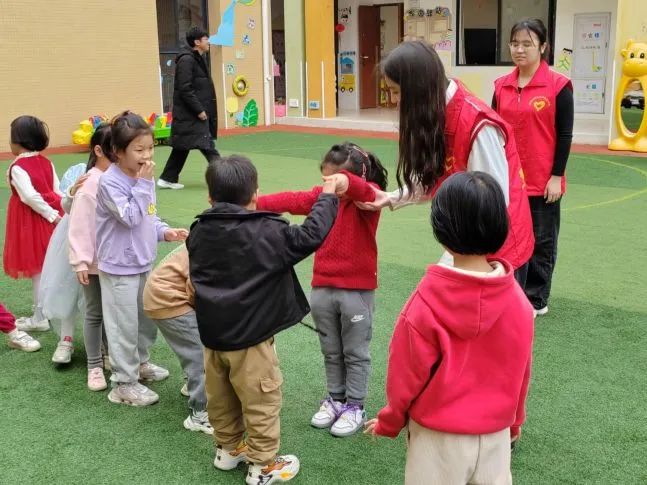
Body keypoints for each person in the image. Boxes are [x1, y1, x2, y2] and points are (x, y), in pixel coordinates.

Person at [365, 172, 534, 485]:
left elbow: (405, 373)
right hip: (495, 433)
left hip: (437, 437)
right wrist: (515, 421)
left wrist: (391, 421)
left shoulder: (426, 300)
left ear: (441, 230)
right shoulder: (519, 303)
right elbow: (521, 371)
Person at [187, 156, 340, 485]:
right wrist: (328, 195)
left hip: (213, 338)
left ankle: (228, 449)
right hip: (251, 340)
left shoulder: (198, 231)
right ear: (255, 194)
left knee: (221, 397)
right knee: (262, 402)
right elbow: (311, 234)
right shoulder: (268, 231)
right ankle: (263, 466)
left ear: (210, 198)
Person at [356, 40, 534, 272]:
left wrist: (452, 263)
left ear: (419, 88)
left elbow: (491, 203)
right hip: (466, 242)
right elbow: (432, 176)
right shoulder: (435, 114)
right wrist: (389, 198)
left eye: (397, 91)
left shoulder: (478, 125)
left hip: (497, 251)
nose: (394, 101)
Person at [256, 142, 387, 437]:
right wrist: (252, 202)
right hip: (322, 287)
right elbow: (292, 199)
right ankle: (335, 399)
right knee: (331, 350)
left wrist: (344, 182)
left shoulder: (368, 197)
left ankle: (355, 405)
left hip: (356, 291)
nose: (326, 185)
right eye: (324, 179)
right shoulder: (324, 197)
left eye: (333, 180)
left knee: (355, 351)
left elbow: (365, 191)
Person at [96, 111, 188, 406]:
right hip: (118, 267)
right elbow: (130, 218)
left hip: (142, 261)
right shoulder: (110, 183)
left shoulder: (141, 179)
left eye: (150, 148)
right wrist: (145, 185)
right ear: (118, 151)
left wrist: (164, 231)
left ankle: (140, 364)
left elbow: (148, 216)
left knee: (145, 320)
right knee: (123, 325)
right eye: (139, 149)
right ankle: (123, 383)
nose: (147, 155)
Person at [493, 19, 574, 317]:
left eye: (527, 44)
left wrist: (556, 176)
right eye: (515, 43)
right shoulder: (501, 86)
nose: (519, 49)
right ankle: (512, 294)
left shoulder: (558, 86)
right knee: (511, 239)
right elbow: (495, 130)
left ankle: (537, 298)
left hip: (543, 180)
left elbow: (564, 134)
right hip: (509, 178)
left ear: (542, 47)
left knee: (542, 241)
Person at [142, 243, 212, 434]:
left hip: (165, 293)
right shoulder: (220, 242)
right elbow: (198, 287)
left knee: (199, 347)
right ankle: (200, 414)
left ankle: (192, 386)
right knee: (202, 354)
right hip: (169, 298)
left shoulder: (213, 234)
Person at [3, 115, 63, 332]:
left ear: (18, 140)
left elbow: (29, 196)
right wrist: (57, 214)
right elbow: (57, 191)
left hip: (32, 223)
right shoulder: (46, 162)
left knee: (38, 270)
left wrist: (51, 215)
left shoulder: (17, 166)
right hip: (49, 219)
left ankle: (39, 317)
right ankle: (46, 311)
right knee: (47, 268)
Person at [68, 123, 114, 390]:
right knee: (95, 312)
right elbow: (79, 225)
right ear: (98, 150)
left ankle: (108, 355)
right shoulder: (90, 183)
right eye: (115, 150)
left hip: (111, 260)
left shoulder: (113, 178)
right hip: (93, 262)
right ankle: (94, 365)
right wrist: (81, 261)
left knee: (109, 311)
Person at [158, 26, 219, 189]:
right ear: (197, 42)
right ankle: (225, 177)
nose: (209, 42)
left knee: (182, 147)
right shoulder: (187, 60)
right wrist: (199, 110)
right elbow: (185, 89)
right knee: (207, 146)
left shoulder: (197, 58)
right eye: (206, 39)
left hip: (191, 114)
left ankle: (167, 178)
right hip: (191, 114)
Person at [38, 160, 87, 365]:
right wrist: (72, 192)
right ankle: (66, 339)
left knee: (97, 296)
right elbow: (66, 206)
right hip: (72, 238)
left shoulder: (123, 171)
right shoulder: (81, 171)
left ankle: (102, 344)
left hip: (103, 244)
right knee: (66, 287)